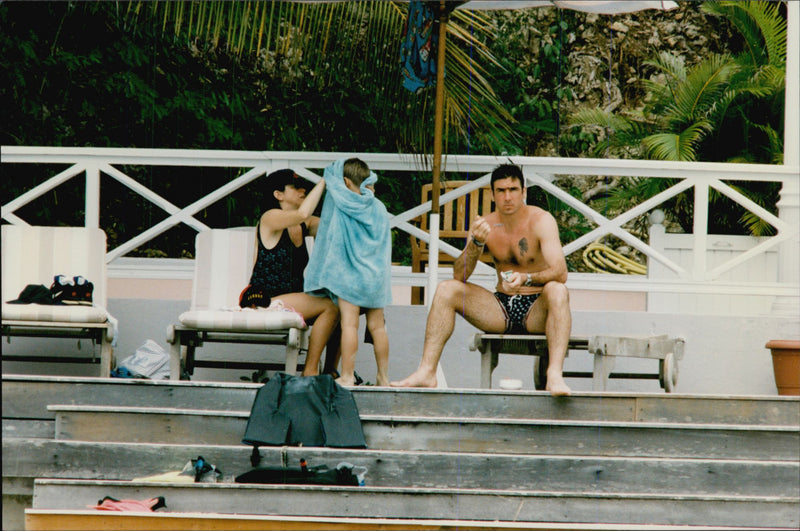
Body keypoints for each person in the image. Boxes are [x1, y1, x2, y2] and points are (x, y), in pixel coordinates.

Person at [391, 164, 572, 396]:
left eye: (513, 189)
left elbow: (561, 272)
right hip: (500, 308)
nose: (508, 196)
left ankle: (554, 376)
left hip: (537, 309)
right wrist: (476, 242)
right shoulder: (485, 224)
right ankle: (427, 371)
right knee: (447, 289)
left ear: (524, 192)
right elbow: (460, 276)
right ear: (493, 194)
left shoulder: (541, 220)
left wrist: (526, 278)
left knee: (557, 290)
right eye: (501, 190)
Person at [243, 168, 340, 377]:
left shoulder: (304, 224)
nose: (303, 190)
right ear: (278, 195)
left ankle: (330, 372)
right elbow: (303, 212)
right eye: (295, 187)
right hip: (263, 298)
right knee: (330, 306)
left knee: (343, 304)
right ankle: (310, 371)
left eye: (303, 186)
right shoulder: (270, 218)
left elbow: (335, 225)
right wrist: (325, 181)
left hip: (290, 298)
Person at [304, 158, 392, 387]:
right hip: (375, 278)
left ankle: (347, 375)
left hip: (350, 278)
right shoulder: (380, 208)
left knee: (350, 325)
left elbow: (330, 240)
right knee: (378, 327)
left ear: (345, 182)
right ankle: (383, 376)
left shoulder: (341, 206)